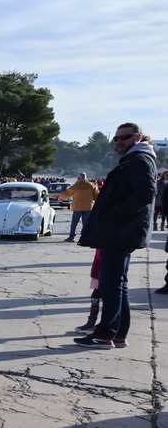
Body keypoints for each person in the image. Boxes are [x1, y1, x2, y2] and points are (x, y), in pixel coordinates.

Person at [75, 123, 156, 348]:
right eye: (116, 138)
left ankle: (104, 334)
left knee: (110, 284)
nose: (118, 142)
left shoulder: (139, 159)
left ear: (137, 137)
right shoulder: (135, 158)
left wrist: (115, 213)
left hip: (120, 232)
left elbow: (146, 193)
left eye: (125, 137)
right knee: (117, 284)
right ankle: (118, 334)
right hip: (121, 231)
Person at [59, 172, 99, 242]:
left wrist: (60, 197)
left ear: (78, 178)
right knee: (86, 224)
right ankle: (84, 238)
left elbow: (67, 193)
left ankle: (71, 237)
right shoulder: (92, 185)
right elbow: (97, 196)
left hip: (77, 207)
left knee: (74, 223)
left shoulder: (76, 186)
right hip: (88, 207)